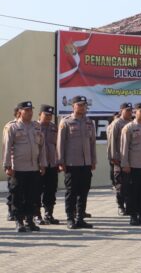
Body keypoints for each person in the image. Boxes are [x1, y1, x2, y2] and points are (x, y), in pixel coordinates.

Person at [3, 101, 47, 232]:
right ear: (20, 111)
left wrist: (43, 164)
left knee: (32, 195)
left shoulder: (36, 127)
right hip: (18, 168)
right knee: (17, 196)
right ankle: (19, 221)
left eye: (31, 110)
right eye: (27, 110)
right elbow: (6, 147)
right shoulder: (13, 127)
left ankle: (29, 220)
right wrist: (7, 165)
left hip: (33, 168)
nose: (30, 112)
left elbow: (42, 147)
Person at [57, 95, 96, 229]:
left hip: (86, 164)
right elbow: (60, 143)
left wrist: (93, 160)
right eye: (79, 105)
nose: (82, 107)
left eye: (84, 105)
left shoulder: (89, 122)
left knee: (83, 192)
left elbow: (92, 143)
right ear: (73, 106)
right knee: (71, 192)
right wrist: (61, 161)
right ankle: (70, 218)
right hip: (71, 163)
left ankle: (80, 218)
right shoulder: (66, 122)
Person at [106, 102, 133, 216]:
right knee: (120, 185)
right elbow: (112, 142)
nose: (130, 112)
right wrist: (113, 157)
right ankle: (121, 206)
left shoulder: (133, 123)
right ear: (121, 111)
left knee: (130, 185)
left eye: (131, 110)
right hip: (119, 159)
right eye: (127, 110)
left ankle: (130, 205)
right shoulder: (117, 123)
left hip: (132, 159)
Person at [36, 104, 60, 225]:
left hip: (52, 164)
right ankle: (36, 214)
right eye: (46, 115)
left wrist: (59, 162)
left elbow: (58, 146)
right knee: (36, 190)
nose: (49, 117)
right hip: (38, 165)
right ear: (39, 115)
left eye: (51, 115)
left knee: (51, 190)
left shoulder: (54, 128)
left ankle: (48, 214)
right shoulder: (34, 127)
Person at [5, 107, 19, 222]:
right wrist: (7, 164)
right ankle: (11, 211)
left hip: (24, 164)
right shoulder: (10, 126)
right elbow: (7, 145)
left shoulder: (31, 125)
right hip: (13, 162)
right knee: (12, 189)